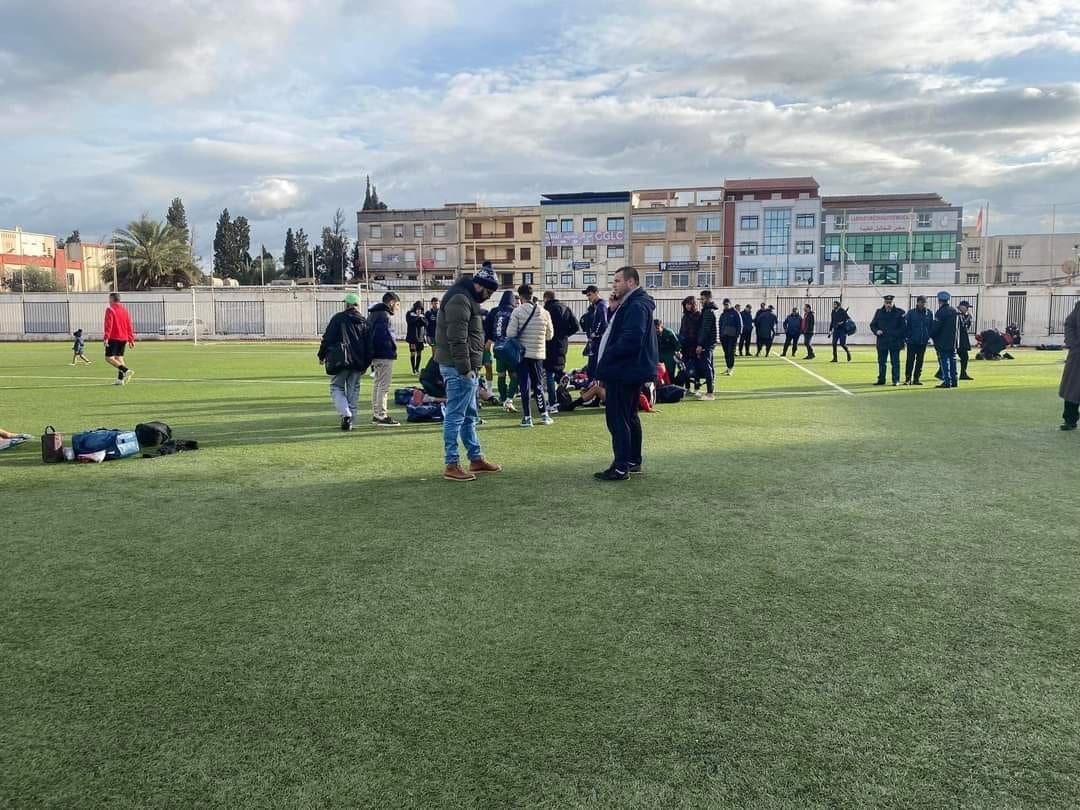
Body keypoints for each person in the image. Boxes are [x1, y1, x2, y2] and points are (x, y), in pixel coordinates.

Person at [434, 266, 502, 481]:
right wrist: (465, 369)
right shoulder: (460, 300)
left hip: (464, 368)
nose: (488, 297)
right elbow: (457, 339)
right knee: (455, 416)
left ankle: (475, 458)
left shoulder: (463, 297)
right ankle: (451, 463)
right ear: (479, 285)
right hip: (458, 368)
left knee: (469, 416)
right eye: (488, 292)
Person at [594, 266, 658, 480]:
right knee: (629, 416)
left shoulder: (636, 305)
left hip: (624, 370)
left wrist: (607, 357)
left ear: (631, 282)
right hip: (630, 369)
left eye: (618, 281)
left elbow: (631, 339)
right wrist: (613, 309)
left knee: (617, 418)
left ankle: (621, 466)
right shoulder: (631, 303)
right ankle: (632, 461)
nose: (614, 285)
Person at [317, 293, 371, 431]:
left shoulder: (338, 318)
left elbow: (327, 338)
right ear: (358, 305)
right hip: (358, 362)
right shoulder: (364, 321)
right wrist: (366, 364)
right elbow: (369, 345)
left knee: (336, 387)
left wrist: (321, 355)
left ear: (347, 305)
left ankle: (345, 414)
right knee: (354, 390)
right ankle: (351, 420)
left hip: (340, 360)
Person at [507, 283, 555, 427]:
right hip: (538, 353)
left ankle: (527, 417)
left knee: (525, 386)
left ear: (520, 296)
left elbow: (510, 333)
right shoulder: (544, 312)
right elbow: (550, 335)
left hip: (522, 354)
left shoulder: (517, 311)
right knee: (538, 385)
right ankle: (544, 415)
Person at [367, 291, 401, 426]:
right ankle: (381, 415)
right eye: (397, 304)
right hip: (383, 354)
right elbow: (383, 336)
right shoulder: (384, 315)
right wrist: (391, 348)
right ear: (391, 303)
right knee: (383, 385)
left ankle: (377, 413)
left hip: (376, 354)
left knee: (378, 383)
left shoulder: (375, 314)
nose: (398, 308)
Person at [543, 290, 579, 409]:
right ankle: (563, 389)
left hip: (549, 343)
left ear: (546, 298)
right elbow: (576, 326)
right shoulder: (565, 308)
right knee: (558, 368)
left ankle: (552, 402)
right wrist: (564, 335)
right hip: (563, 343)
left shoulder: (546, 310)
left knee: (549, 373)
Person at [485, 289, 520, 410]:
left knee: (500, 374)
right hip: (510, 347)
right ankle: (509, 398)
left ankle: (503, 397)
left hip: (497, 347)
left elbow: (487, 327)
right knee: (515, 375)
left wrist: (489, 340)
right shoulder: (514, 312)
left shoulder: (494, 311)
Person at [870, 294, 906, 386]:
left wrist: (896, 335)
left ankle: (896, 380)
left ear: (893, 302)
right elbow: (873, 325)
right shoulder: (879, 312)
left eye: (890, 302)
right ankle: (881, 379)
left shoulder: (900, 312)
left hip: (895, 342)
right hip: (882, 342)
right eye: (887, 303)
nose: (888, 304)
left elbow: (903, 327)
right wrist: (876, 331)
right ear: (884, 303)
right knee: (882, 362)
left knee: (895, 362)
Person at [103, 292, 136, 385]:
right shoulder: (124, 310)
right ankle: (120, 380)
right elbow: (129, 325)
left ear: (112, 299)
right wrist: (131, 339)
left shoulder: (110, 309)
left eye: (109, 299)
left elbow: (108, 325)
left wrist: (106, 337)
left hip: (114, 337)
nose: (109, 301)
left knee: (109, 358)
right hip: (123, 338)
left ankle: (126, 370)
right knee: (119, 357)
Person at [1058, 300, 1080, 430]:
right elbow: (1069, 324)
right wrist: (1073, 343)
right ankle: (1070, 419)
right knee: (1072, 389)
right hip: (1078, 354)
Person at [931, 290, 959, 389]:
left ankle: (947, 381)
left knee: (944, 361)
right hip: (953, 341)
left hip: (942, 341)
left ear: (939, 300)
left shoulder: (940, 312)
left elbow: (936, 327)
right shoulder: (954, 311)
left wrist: (931, 335)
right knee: (953, 361)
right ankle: (954, 380)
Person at [903, 295, 933, 386]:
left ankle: (916, 379)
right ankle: (908, 379)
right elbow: (906, 326)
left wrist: (929, 337)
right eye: (921, 302)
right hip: (912, 341)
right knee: (910, 360)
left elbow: (931, 326)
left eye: (924, 302)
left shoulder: (929, 313)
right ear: (917, 302)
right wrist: (908, 337)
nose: (923, 304)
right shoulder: (911, 313)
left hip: (923, 341)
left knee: (920, 361)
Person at [582, 285, 609, 381]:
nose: (589, 298)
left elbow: (603, 321)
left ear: (596, 293)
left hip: (598, 341)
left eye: (590, 295)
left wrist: (595, 333)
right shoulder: (596, 306)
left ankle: (594, 389)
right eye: (587, 296)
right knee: (592, 368)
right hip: (597, 341)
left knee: (593, 368)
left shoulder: (601, 305)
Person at [697, 290, 718, 400]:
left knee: (707, 367)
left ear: (709, 298)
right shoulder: (709, 310)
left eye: (703, 299)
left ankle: (710, 393)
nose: (701, 301)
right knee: (710, 367)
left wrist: (700, 344)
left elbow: (705, 329)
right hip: (709, 343)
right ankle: (710, 391)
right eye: (701, 299)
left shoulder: (708, 312)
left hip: (707, 343)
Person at [678, 296, 702, 391]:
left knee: (696, 366)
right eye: (686, 304)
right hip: (685, 346)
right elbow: (681, 330)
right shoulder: (685, 317)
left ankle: (696, 387)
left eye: (689, 304)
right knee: (685, 366)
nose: (687, 306)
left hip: (695, 345)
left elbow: (701, 331)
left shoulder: (699, 315)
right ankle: (687, 387)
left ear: (694, 304)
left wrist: (700, 344)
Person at [718, 298, 742, 376]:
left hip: (732, 337)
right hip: (724, 337)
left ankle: (731, 368)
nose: (726, 306)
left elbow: (740, 324)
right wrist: (720, 336)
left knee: (730, 353)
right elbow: (720, 325)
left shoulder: (735, 313)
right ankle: (728, 367)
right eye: (724, 304)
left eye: (727, 304)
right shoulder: (723, 314)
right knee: (726, 353)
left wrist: (738, 335)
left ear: (730, 304)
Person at [405, 301, 427, 375]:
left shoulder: (422, 315)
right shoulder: (409, 314)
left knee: (419, 353)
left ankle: (417, 368)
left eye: (420, 309)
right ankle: (413, 369)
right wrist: (417, 316)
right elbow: (410, 322)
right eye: (417, 309)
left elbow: (426, 323)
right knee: (412, 352)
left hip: (420, 337)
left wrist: (421, 318)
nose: (419, 310)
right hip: (412, 337)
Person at [957, 300, 974, 381]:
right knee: (963, 357)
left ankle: (963, 373)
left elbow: (966, 328)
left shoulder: (963, 315)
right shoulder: (957, 314)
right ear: (961, 307)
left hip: (962, 340)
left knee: (964, 357)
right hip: (958, 340)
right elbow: (962, 326)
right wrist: (968, 318)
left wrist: (968, 319)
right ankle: (962, 374)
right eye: (966, 307)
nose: (967, 309)